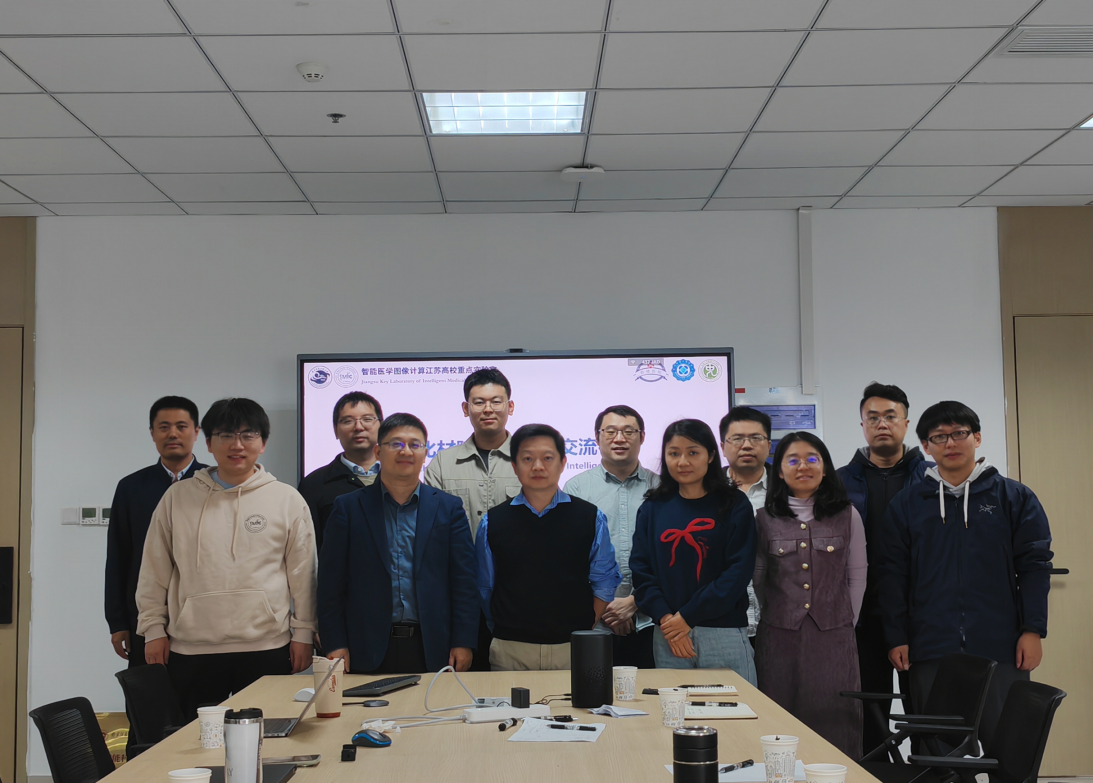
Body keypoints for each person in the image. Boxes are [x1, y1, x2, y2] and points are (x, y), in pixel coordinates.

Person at [879, 401, 1052, 748]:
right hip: (930, 647)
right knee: (937, 755)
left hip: (1001, 646)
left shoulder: (1013, 497)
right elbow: (891, 574)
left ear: (977, 438)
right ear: (925, 446)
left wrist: (1033, 630)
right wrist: (896, 636)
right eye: (939, 437)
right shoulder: (907, 504)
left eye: (959, 433)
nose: (950, 443)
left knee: (1007, 748)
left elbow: (1035, 566)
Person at [136, 398, 317, 719]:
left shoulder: (286, 499)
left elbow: (304, 574)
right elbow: (154, 569)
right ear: (208, 442)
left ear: (263, 443)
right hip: (191, 648)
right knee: (193, 740)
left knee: (269, 738)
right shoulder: (177, 497)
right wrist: (153, 629)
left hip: (266, 646)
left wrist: (303, 633)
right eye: (226, 435)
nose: (237, 445)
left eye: (248, 435)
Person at [318, 413, 478, 674]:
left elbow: (464, 582)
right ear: (378, 452)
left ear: (425, 453)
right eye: (396, 444)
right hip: (364, 646)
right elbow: (330, 584)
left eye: (415, 445)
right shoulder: (348, 508)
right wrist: (335, 642)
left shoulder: (448, 508)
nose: (406, 451)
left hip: (433, 646)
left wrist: (464, 640)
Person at [754, 432, 866, 758]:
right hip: (778, 636)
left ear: (825, 467)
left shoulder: (848, 515)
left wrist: (844, 623)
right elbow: (759, 578)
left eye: (812, 459)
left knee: (835, 719)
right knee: (779, 720)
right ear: (779, 471)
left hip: (834, 638)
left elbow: (857, 575)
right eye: (793, 460)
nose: (803, 466)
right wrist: (779, 611)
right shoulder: (763, 519)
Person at [476, 423, 621, 671]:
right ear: (514, 466)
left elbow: (605, 579)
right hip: (511, 647)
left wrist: (586, 623)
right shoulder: (493, 521)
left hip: (573, 646)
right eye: (527, 458)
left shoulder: (590, 517)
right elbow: (484, 586)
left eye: (547, 458)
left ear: (563, 463)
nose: (538, 466)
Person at [836, 382, 929, 754]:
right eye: (872, 417)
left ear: (906, 423)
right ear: (862, 425)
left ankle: (930, 776)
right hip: (861, 619)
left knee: (925, 713)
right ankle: (874, 774)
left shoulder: (933, 479)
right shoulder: (839, 482)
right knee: (867, 714)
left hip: (920, 617)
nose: (882, 424)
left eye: (890, 416)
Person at [630, 419, 757, 682]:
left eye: (692, 452)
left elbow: (738, 571)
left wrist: (687, 617)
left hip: (722, 630)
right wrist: (667, 619)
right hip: (668, 632)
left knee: (735, 706)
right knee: (674, 706)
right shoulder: (653, 507)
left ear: (710, 455)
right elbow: (641, 571)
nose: (682, 462)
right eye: (674, 453)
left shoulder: (734, 504)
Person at [424, 368, 522, 670]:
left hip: (515, 589)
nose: (488, 409)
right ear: (466, 409)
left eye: (496, 401)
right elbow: (431, 533)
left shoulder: (529, 460)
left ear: (510, 406)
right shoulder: (443, 463)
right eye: (479, 402)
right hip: (458, 591)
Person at [105, 396, 206, 669]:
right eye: (164, 427)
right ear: (152, 433)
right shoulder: (131, 487)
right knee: (150, 692)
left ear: (196, 432)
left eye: (181, 426)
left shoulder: (213, 484)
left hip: (203, 618)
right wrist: (118, 622)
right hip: (145, 618)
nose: (173, 433)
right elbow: (119, 556)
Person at [564, 405, 657, 668]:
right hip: (593, 621)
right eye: (611, 431)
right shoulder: (576, 488)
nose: (620, 438)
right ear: (597, 437)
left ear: (642, 436)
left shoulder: (661, 488)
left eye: (629, 431)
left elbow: (669, 558)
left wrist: (635, 602)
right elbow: (570, 558)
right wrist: (604, 605)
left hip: (651, 619)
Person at [298, 392, 383, 552]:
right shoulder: (314, 484)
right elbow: (307, 548)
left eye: (367, 419)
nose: (359, 427)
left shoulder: (400, 479)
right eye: (347, 421)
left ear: (382, 427)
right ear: (336, 431)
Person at [719, 406, 773, 644]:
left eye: (756, 438)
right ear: (723, 447)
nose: (747, 445)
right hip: (723, 622)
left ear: (769, 445)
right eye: (737, 439)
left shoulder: (788, 491)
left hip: (778, 622)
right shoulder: (706, 492)